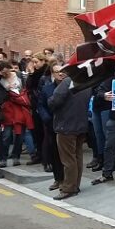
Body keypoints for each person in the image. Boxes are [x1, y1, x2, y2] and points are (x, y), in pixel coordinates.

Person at [48, 70, 93, 200]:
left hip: (66, 124)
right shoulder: (86, 82)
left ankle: (69, 187)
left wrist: (49, 99)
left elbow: (54, 101)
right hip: (80, 124)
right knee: (77, 157)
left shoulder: (68, 82)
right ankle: (75, 185)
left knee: (68, 159)